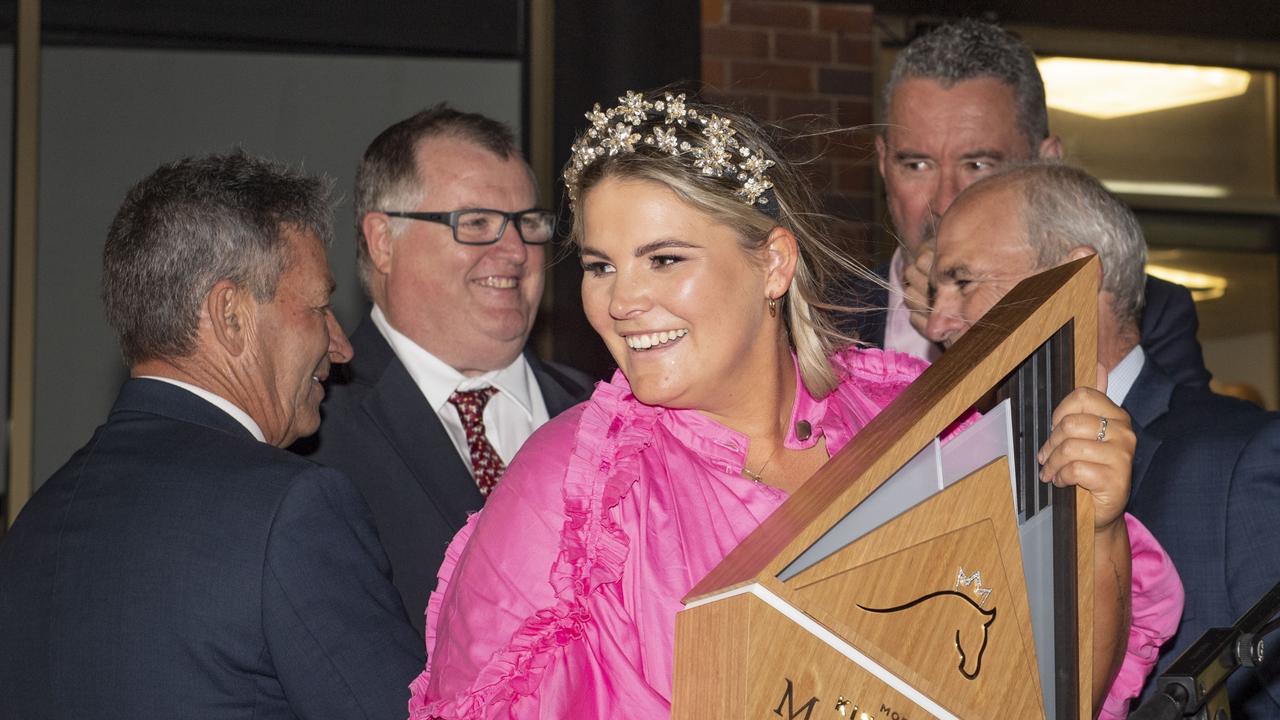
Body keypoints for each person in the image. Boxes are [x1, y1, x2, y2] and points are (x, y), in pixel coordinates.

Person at [408, 90, 1175, 718]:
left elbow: (1046, 693)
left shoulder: (907, 420)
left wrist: (1096, 528)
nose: (623, 301)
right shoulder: (569, 488)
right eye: (602, 266)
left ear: (773, 263)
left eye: (664, 259)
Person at [0, 152, 422, 718]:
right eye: (319, 307)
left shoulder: (34, 524)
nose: (341, 346)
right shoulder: (291, 510)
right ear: (230, 315)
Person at [925, 161, 1277, 718]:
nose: (936, 322)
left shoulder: (1240, 460)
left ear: (1074, 278)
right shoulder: (963, 467)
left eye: (963, 282)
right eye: (934, 289)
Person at [295, 106, 594, 638]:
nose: (516, 251)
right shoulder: (309, 431)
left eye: (528, 224)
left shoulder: (602, 416)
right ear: (384, 241)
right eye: (476, 223)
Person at [843, 18, 1210, 389]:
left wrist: (967, 330)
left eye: (978, 165)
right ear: (882, 163)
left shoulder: (1143, 311)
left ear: (1047, 162)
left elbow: (1180, 441)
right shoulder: (820, 316)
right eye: (916, 165)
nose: (944, 202)